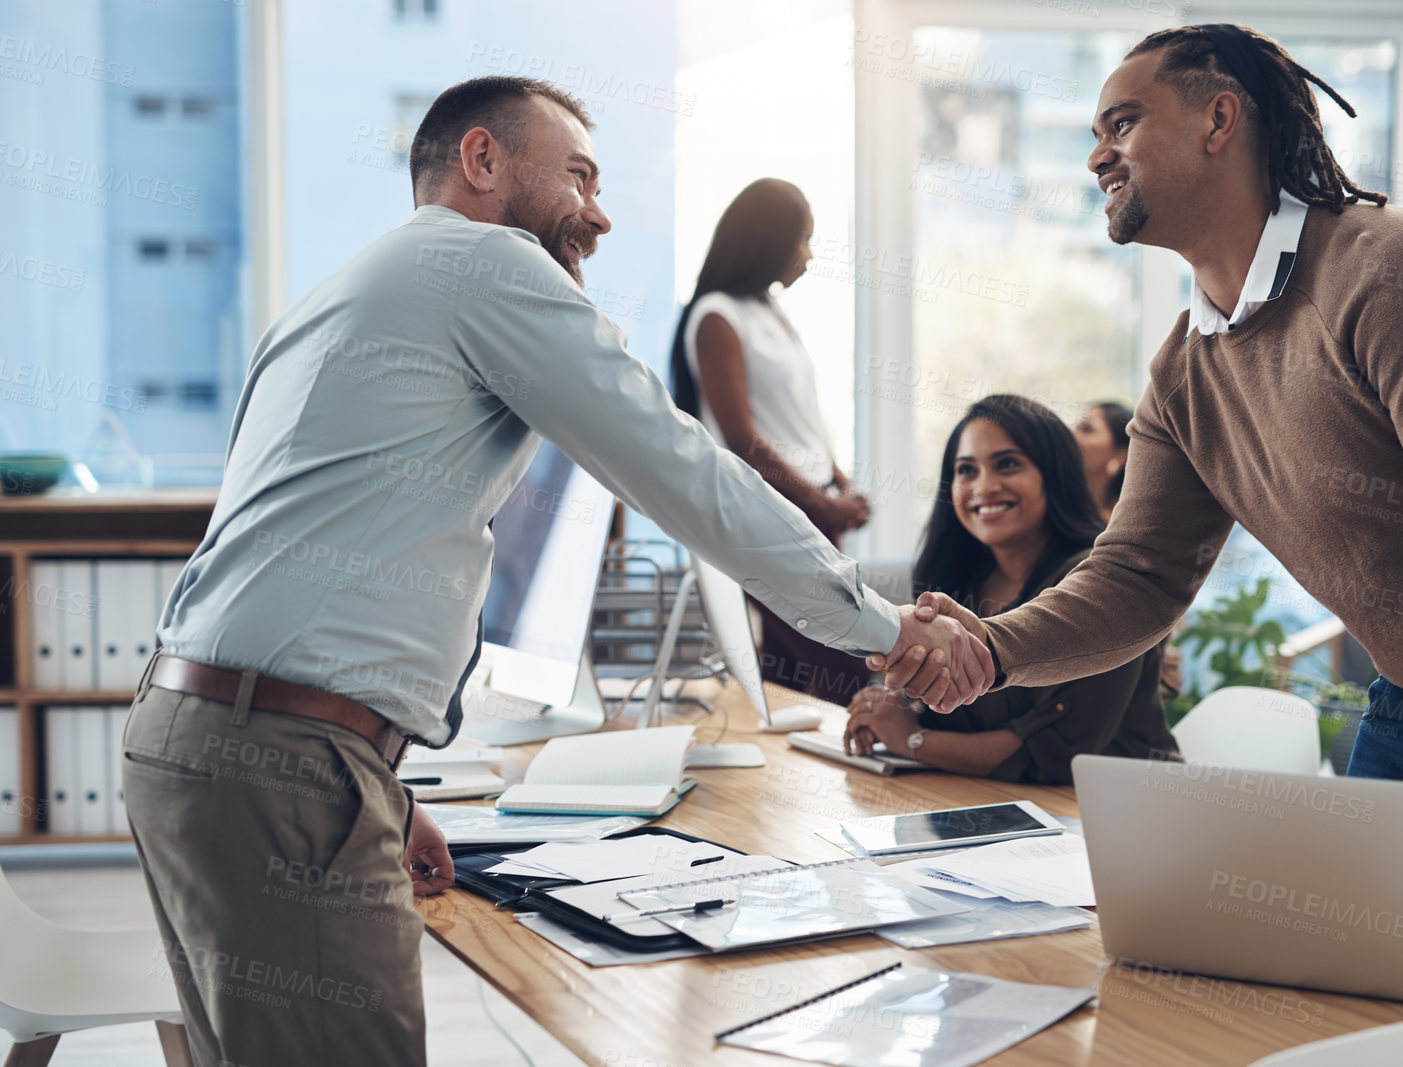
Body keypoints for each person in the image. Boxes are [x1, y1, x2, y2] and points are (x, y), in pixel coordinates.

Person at [876, 24, 1403, 1067]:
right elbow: (1138, 574)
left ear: (1220, 119)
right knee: (1389, 1026)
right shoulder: (1189, 369)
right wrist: (994, 646)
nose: (1095, 154)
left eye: (1123, 123)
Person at [123, 76, 989, 1067]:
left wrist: (383, 792)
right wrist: (887, 630)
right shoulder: (484, 260)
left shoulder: (344, 292)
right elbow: (682, 466)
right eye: (578, 176)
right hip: (278, 758)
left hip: (194, 739)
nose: (600, 211)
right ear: (483, 161)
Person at [844, 394, 1178, 781]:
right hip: (992, 807)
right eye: (967, 470)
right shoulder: (961, 576)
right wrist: (892, 708)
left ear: (1055, 474)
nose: (983, 487)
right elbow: (952, 712)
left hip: (1126, 811)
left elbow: (1052, 754)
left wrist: (911, 741)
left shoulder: (1100, 584)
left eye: (1007, 464)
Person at [670, 178, 875, 704]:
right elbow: (743, 440)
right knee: (840, 666)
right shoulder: (718, 315)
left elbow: (800, 415)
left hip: (813, 509)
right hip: (777, 513)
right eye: (802, 238)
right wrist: (822, 501)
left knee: (789, 669)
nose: (808, 254)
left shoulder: (770, 310)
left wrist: (839, 485)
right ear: (768, 240)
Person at [1073, 400, 1133, 520]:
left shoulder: (1125, 522)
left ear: (1122, 455)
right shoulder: (1050, 503)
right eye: (1077, 428)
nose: (1073, 436)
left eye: (1087, 429)